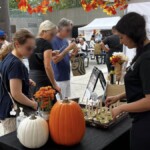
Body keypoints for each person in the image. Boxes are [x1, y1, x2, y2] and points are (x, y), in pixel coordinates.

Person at [105, 12, 150, 150]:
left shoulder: (147, 58)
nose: (120, 41)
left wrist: (121, 107)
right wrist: (120, 96)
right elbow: (141, 86)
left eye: (121, 37)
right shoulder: (142, 52)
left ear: (132, 34)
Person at [0, 29, 38, 135]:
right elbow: (16, 93)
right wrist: (33, 104)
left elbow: (6, 79)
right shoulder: (16, 64)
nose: (31, 51)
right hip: (14, 113)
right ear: (17, 44)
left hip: (6, 109)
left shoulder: (7, 57)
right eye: (28, 48)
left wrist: (25, 80)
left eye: (32, 48)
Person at [29, 20, 61, 95]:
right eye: (52, 34)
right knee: (47, 103)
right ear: (44, 31)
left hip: (32, 77)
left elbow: (35, 56)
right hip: (42, 78)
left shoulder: (33, 41)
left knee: (36, 103)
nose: (53, 37)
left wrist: (50, 54)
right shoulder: (46, 44)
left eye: (54, 35)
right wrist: (54, 84)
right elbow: (47, 66)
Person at [51, 18, 78, 99]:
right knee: (61, 103)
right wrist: (68, 49)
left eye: (70, 30)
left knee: (66, 100)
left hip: (66, 75)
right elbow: (55, 60)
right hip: (58, 77)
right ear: (60, 29)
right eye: (67, 30)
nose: (69, 32)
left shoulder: (65, 41)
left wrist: (71, 55)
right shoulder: (53, 40)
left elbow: (64, 57)